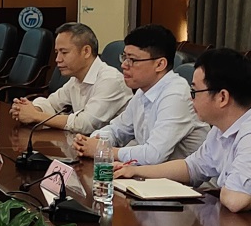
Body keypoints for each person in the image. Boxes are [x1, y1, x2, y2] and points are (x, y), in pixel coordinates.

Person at [114, 48, 251, 226]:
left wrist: (221, 186)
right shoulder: (224, 127)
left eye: (194, 92)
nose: (191, 99)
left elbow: (237, 200)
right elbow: (192, 167)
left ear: (222, 97)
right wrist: (136, 171)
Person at [73, 23, 207, 164]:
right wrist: (92, 141)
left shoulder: (176, 95)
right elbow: (117, 129)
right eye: (124, 57)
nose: (124, 65)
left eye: (133, 60)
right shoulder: (143, 91)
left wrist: (105, 150)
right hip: (149, 173)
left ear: (160, 64)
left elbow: (153, 155)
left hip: (187, 178)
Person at [10, 22, 131, 133]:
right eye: (57, 52)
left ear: (86, 51)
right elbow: (52, 104)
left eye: (64, 52)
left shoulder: (111, 80)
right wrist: (31, 109)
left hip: (114, 149)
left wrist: (36, 116)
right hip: (83, 144)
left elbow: (85, 124)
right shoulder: (76, 79)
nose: (58, 59)